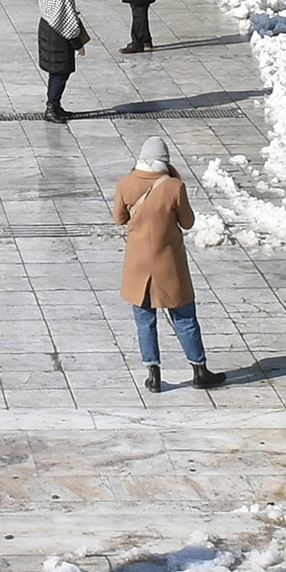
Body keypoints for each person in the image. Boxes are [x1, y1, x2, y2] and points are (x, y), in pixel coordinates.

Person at [113, 136, 225, 392]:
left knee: (145, 321)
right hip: (169, 265)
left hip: (137, 266)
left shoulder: (126, 184)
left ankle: (153, 374)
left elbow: (119, 218)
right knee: (184, 317)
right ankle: (199, 369)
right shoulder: (174, 187)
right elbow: (188, 222)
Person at [37, 0, 86, 123]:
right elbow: (69, 22)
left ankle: (56, 106)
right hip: (59, 38)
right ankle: (52, 107)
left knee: (55, 71)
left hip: (46, 30)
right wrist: (78, 44)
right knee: (60, 73)